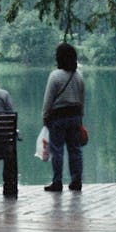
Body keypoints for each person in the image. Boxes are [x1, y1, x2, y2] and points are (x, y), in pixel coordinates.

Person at [42, 42, 85, 192]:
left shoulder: (55, 76)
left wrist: (45, 115)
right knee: (75, 150)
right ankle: (76, 180)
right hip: (75, 116)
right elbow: (82, 98)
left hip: (58, 117)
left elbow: (48, 99)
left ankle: (57, 182)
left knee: (57, 150)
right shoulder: (78, 75)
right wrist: (81, 117)